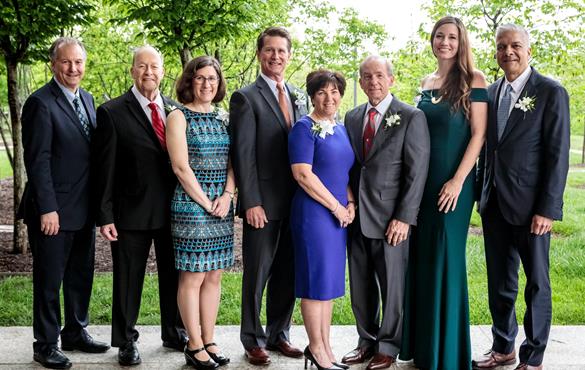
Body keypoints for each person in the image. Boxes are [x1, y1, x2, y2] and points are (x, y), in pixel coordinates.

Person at [473, 24, 570, 370]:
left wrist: (548, 208)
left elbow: (557, 156)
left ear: (529, 50)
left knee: (537, 284)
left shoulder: (550, 91)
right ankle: (503, 347)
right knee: (500, 282)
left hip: (532, 209)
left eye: (515, 46)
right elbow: (487, 147)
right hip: (494, 204)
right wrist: (481, 192)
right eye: (501, 47)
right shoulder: (491, 90)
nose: (508, 52)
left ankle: (534, 355)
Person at [399, 16, 488, 370]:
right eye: (440, 36)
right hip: (422, 184)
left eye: (452, 37)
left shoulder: (474, 80)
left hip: (454, 184)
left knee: (445, 258)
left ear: (461, 41)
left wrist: (457, 181)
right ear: (432, 40)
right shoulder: (425, 82)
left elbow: (479, 135)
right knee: (422, 258)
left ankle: (447, 352)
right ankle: (425, 348)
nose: (445, 42)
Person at [92, 45, 187, 366]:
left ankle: (174, 332)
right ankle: (126, 340)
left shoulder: (176, 110)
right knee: (128, 278)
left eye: (154, 66)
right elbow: (103, 169)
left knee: (174, 275)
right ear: (132, 71)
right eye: (142, 66)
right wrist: (104, 214)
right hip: (129, 212)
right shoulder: (112, 112)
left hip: (173, 211)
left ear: (163, 72)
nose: (148, 72)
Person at [18, 37, 110, 369]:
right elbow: (38, 160)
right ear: (53, 64)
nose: (74, 68)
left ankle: (75, 331)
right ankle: (45, 343)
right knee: (48, 280)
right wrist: (47, 208)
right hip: (53, 211)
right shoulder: (40, 103)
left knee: (80, 275)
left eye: (79, 62)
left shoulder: (86, 98)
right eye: (66, 62)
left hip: (83, 207)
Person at [342, 56, 430, 370]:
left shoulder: (410, 116)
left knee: (392, 286)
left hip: (392, 219)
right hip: (357, 219)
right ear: (360, 82)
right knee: (361, 285)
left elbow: (416, 172)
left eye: (379, 75)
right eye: (366, 76)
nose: (373, 82)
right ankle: (365, 341)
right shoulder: (352, 117)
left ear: (391, 79)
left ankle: (388, 345)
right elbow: (349, 167)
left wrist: (405, 217)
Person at [229, 26, 308, 366]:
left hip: (298, 202)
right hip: (263, 203)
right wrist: (251, 202)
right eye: (270, 50)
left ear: (289, 55)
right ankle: (252, 339)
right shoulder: (245, 98)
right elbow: (242, 154)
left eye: (282, 51)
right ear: (260, 54)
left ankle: (279, 334)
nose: (276, 56)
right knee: (257, 273)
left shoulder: (297, 94)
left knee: (287, 272)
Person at [166, 56, 234, 370]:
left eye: (212, 79)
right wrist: (207, 203)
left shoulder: (224, 117)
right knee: (193, 275)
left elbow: (234, 161)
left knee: (214, 275)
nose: (207, 84)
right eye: (200, 78)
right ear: (189, 81)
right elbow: (180, 167)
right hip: (192, 205)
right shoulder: (178, 116)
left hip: (221, 203)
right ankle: (193, 345)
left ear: (219, 84)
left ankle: (209, 339)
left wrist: (228, 195)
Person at [288, 70, 355, 370]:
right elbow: (303, 174)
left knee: (327, 285)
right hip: (314, 215)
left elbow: (344, 172)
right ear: (312, 96)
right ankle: (315, 348)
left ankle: (325, 347)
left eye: (335, 92)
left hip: (337, 217)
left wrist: (350, 203)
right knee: (315, 284)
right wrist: (336, 208)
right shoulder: (303, 128)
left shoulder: (339, 128)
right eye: (322, 92)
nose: (329, 98)